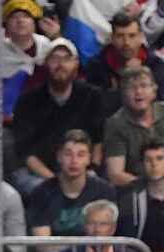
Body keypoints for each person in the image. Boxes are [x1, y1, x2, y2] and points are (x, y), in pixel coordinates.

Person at [11, 38, 107, 198]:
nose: (61, 65)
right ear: (46, 64)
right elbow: (26, 152)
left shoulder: (93, 96)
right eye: (55, 59)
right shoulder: (28, 100)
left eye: (66, 59)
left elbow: (99, 140)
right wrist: (55, 181)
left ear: (76, 64)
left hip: (82, 172)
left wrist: (93, 170)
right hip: (39, 174)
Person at [27, 129, 116, 245]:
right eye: (68, 154)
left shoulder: (104, 191)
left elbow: (105, 238)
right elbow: (43, 245)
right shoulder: (41, 193)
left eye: (80, 155)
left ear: (89, 159)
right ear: (59, 157)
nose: (74, 161)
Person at [100, 67, 162, 190]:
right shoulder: (116, 124)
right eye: (132, 87)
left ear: (154, 92)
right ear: (124, 95)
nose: (138, 92)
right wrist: (151, 189)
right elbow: (116, 175)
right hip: (135, 189)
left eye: (144, 85)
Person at [84, 9, 164, 103]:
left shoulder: (156, 66)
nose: (126, 42)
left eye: (132, 36)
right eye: (120, 36)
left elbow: (157, 107)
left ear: (140, 38)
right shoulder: (96, 66)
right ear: (112, 38)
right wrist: (124, 77)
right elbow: (99, 107)